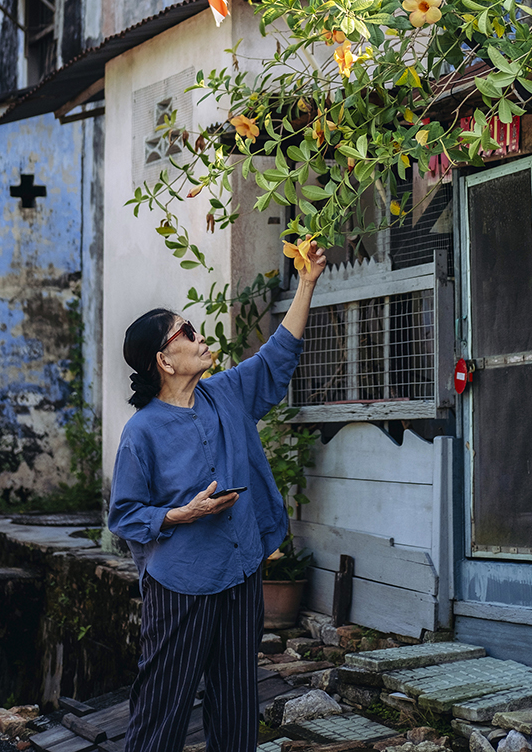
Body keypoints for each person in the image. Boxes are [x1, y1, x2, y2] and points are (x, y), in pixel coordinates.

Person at [108, 244, 326, 752]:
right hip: (181, 585)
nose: (200, 335)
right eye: (186, 332)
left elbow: (276, 357)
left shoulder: (225, 393)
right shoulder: (141, 433)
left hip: (241, 572)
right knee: (162, 711)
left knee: (235, 706)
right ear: (164, 360)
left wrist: (308, 283)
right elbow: (125, 515)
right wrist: (180, 514)